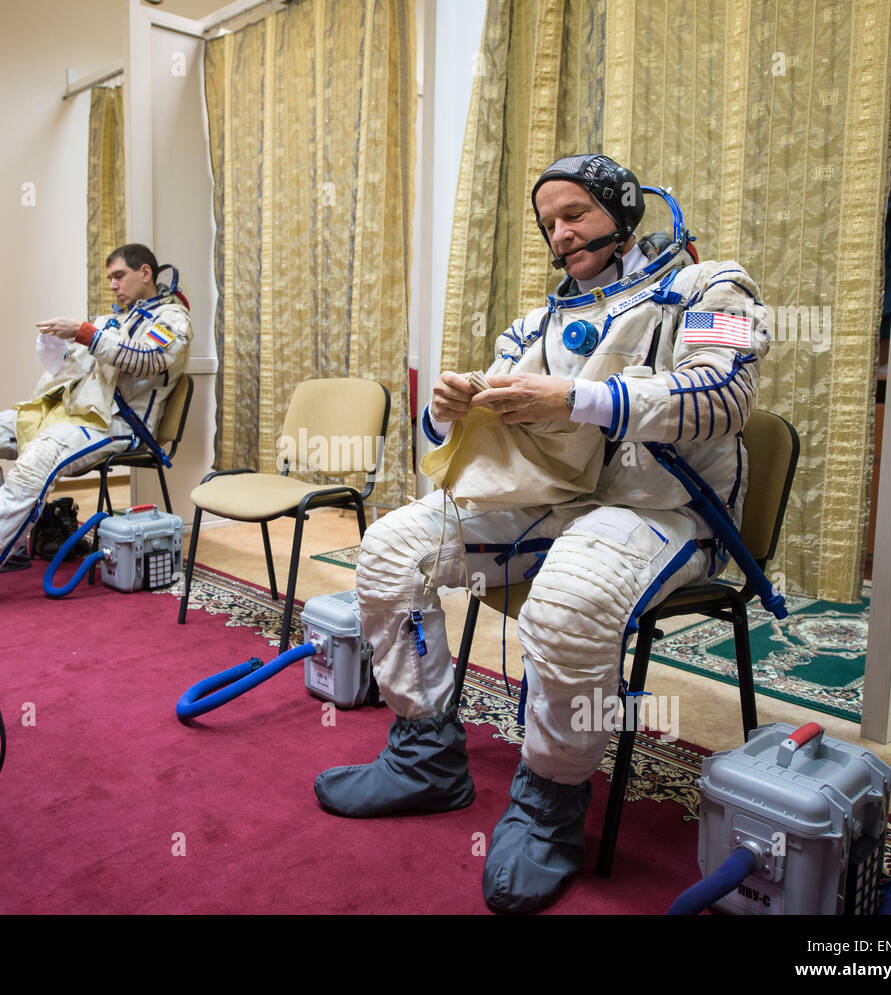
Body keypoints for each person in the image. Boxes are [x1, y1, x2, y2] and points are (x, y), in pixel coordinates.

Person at [314, 154, 771, 914]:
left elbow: (723, 392)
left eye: (577, 214)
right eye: (550, 223)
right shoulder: (538, 322)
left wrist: (579, 398)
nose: (561, 233)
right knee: (394, 548)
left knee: (565, 600)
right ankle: (425, 751)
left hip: (662, 510)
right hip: (551, 501)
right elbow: (473, 425)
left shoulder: (709, 286)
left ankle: (551, 801)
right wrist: (450, 407)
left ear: (623, 211)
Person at [0, 243, 192, 616]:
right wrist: (57, 348)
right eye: (109, 278)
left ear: (145, 273)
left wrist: (86, 332)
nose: (113, 285)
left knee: (36, 460)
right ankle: (5, 550)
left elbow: (147, 359)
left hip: (117, 425)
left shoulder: (172, 319)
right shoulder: (114, 319)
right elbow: (74, 368)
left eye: (119, 276)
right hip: (69, 412)